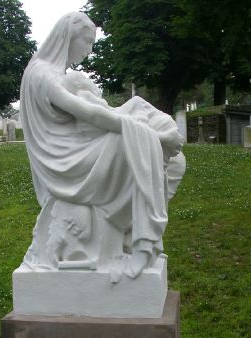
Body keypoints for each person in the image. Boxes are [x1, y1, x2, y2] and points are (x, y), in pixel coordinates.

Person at [20, 11, 184, 280]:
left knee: (170, 157)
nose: (89, 50)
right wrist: (156, 137)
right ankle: (142, 244)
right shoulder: (43, 74)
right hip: (67, 162)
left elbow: (93, 113)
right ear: (68, 37)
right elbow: (91, 115)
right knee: (138, 142)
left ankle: (133, 237)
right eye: (87, 42)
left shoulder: (53, 73)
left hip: (78, 148)